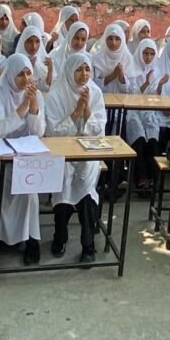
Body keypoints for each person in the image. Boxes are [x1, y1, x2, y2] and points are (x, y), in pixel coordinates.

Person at [45, 52, 105, 263]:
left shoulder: (95, 93)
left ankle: (88, 245)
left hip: (87, 152)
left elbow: (99, 130)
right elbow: (51, 132)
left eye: (87, 69)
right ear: (70, 71)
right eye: (79, 69)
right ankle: (60, 236)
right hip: (62, 153)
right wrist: (75, 112)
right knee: (63, 186)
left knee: (86, 190)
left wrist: (87, 108)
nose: (84, 74)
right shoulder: (56, 94)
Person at [0, 53, 46, 264]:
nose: (25, 78)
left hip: (25, 155)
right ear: (10, 74)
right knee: (0, 192)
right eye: (20, 74)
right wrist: (22, 108)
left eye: (29, 73)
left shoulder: (34, 94)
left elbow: (38, 131)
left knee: (30, 192)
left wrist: (34, 106)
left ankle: (32, 240)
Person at [127, 39, 167, 190]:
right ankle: (141, 177)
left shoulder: (156, 71)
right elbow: (129, 94)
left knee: (152, 137)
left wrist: (160, 86)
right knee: (139, 138)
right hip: (133, 111)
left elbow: (156, 97)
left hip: (149, 111)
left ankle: (154, 178)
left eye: (151, 54)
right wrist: (145, 83)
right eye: (145, 53)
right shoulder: (132, 69)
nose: (148, 57)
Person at [91, 24, 133, 95]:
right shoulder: (97, 59)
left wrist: (121, 76)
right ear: (105, 39)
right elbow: (93, 86)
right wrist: (112, 75)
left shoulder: (128, 58)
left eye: (117, 39)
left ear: (122, 40)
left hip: (123, 102)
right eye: (110, 39)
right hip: (102, 101)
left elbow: (131, 90)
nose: (114, 43)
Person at [16, 25, 53, 91]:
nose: (34, 46)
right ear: (23, 42)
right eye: (30, 41)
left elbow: (48, 87)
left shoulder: (45, 60)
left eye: (37, 41)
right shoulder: (15, 61)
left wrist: (50, 71)